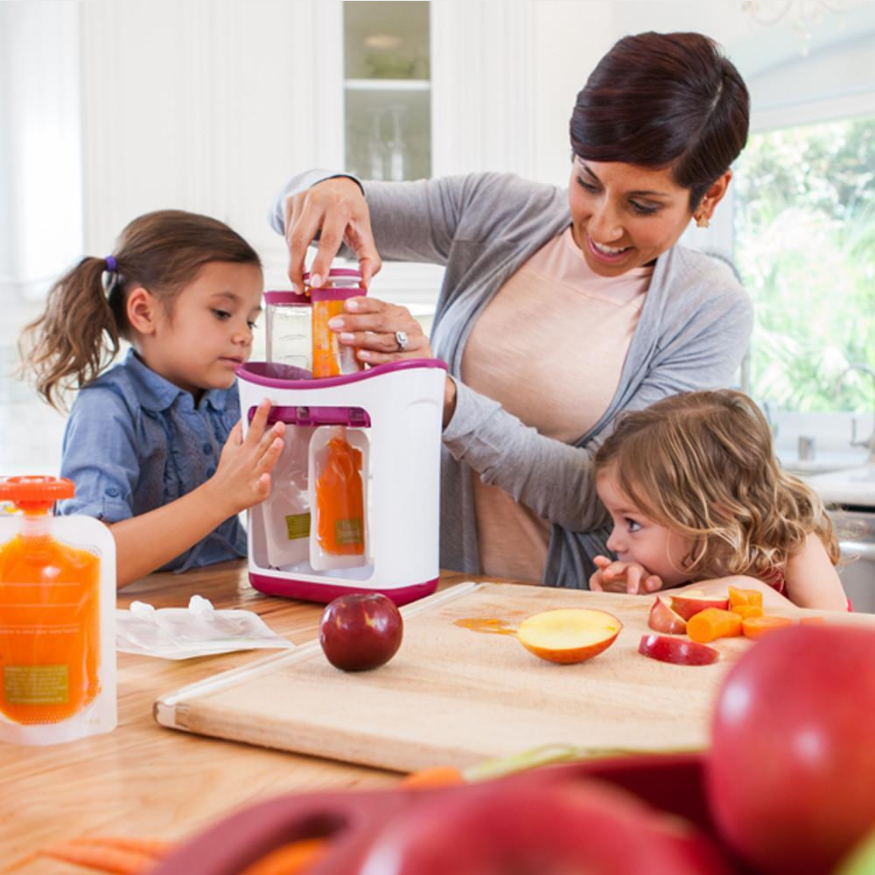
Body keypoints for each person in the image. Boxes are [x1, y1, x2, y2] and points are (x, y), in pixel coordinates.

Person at [271, 31, 753, 588]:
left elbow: (598, 498)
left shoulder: (709, 310)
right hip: (425, 585)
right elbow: (289, 214)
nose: (603, 225)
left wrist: (442, 396)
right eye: (587, 182)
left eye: (642, 205)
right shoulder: (498, 211)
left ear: (710, 196)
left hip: (562, 611)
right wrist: (332, 187)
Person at [19, 210, 285, 588]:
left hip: (230, 600)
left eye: (250, 320)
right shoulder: (108, 409)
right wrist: (220, 496)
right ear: (144, 312)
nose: (243, 334)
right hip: (139, 625)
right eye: (223, 313)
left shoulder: (239, 398)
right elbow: (87, 562)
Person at [589, 390, 849, 611]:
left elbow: (839, 636)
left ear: (714, 516)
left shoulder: (795, 549)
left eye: (632, 523)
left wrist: (747, 591)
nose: (613, 542)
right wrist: (631, 593)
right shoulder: (672, 571)